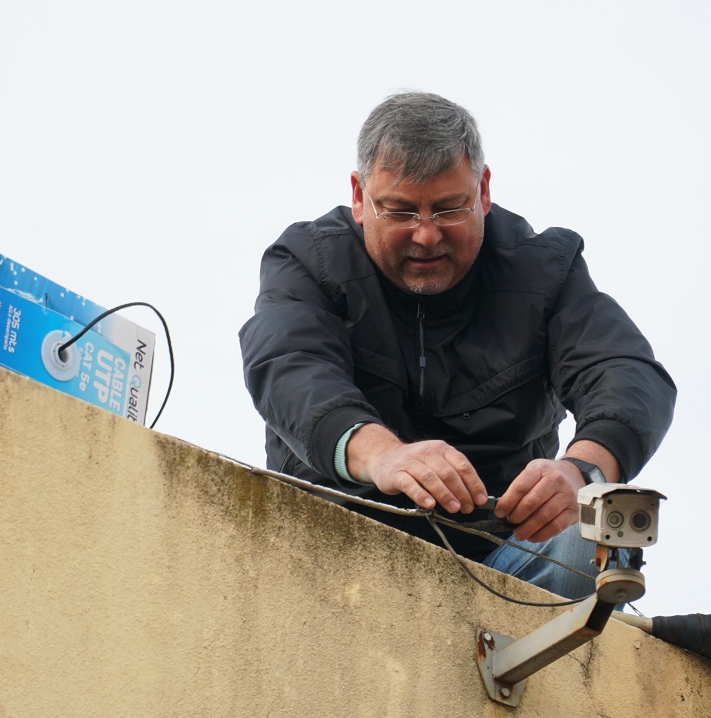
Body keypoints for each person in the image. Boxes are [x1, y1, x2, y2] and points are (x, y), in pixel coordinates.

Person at [238, 91, 674, 598]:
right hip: (338, 554)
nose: (426, 236)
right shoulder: (308, 262)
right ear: (359, 197)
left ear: (483, 190)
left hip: (504, 564)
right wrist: (383, 456)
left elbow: (624, 369)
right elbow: (288, 364)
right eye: (400, 211)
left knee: (593, 536)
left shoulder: (545, 270)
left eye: (449, 209)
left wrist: (581, 472)